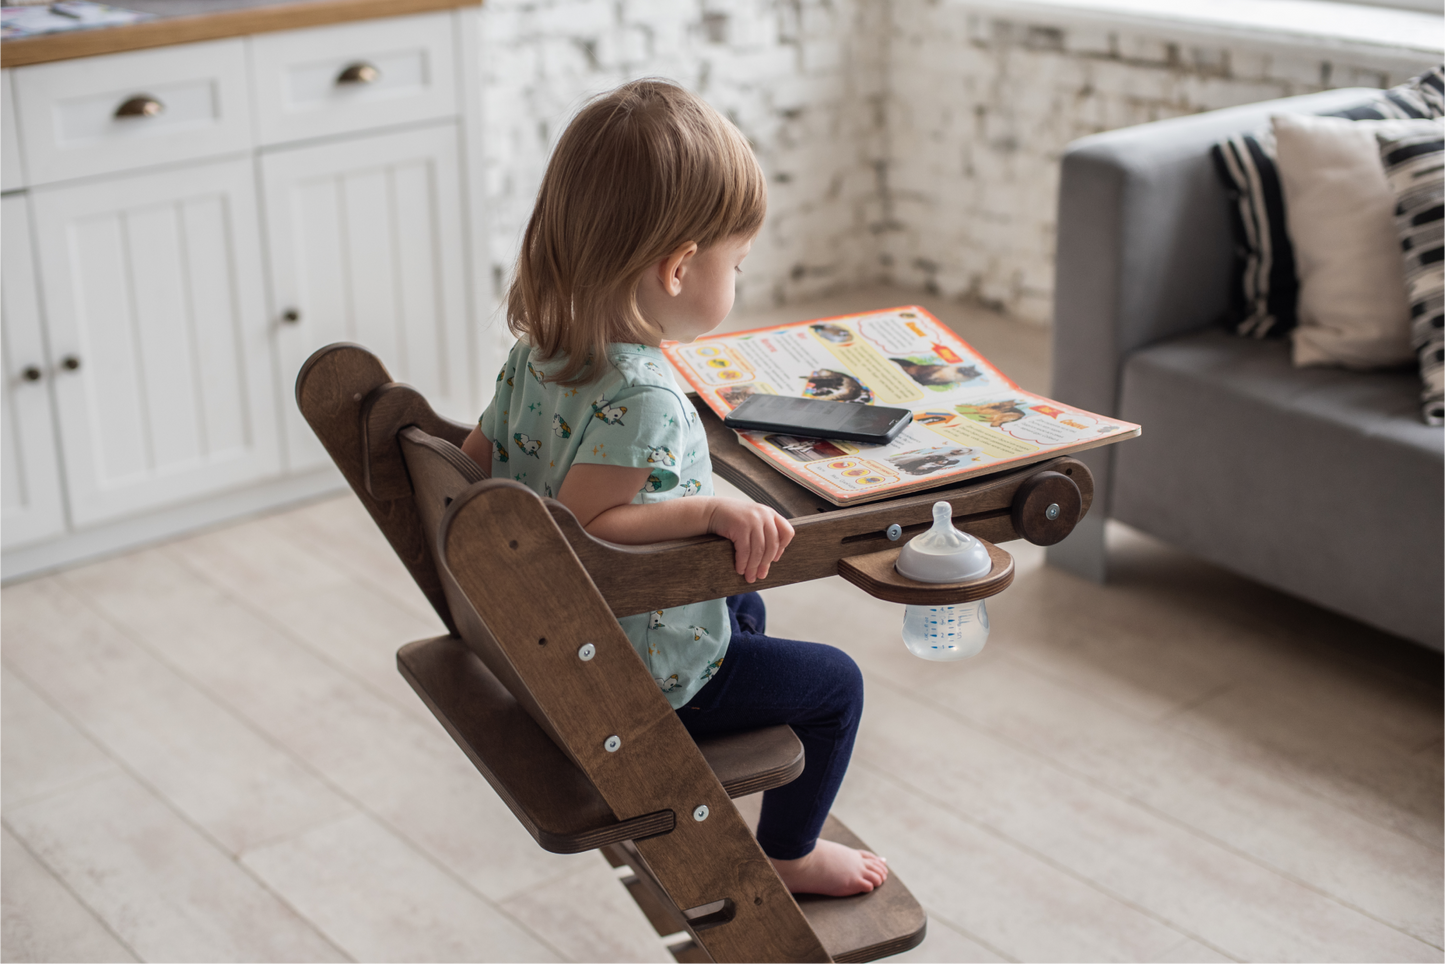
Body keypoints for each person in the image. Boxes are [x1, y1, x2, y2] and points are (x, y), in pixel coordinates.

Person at [460, 79, 886, 898]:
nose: (739, 277)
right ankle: (790, 851)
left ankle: (731, 705)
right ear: (680, 266)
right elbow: (588, 527)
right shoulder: (644, 395)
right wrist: (713, 508)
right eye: (737, 262)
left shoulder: (541, 352)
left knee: (745, 609)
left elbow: (480, 457)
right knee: (835, 686)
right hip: (632, 672)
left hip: (554, 640)